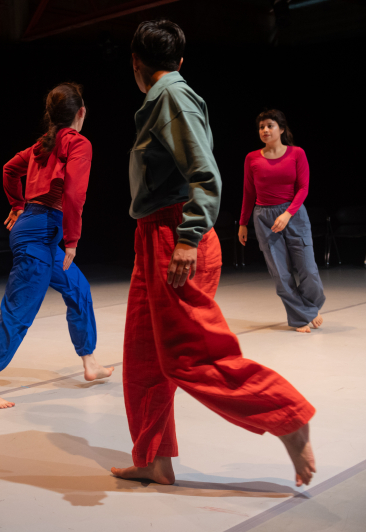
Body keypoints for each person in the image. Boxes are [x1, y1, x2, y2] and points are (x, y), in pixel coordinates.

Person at [109, 21, 317, 487]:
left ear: (136, 63)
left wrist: (187, 236)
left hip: (175, 233)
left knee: (190, 355)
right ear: (178, 60)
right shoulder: (163, 97)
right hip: (154, 234)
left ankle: (286, 414)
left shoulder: (170, 97)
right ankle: (154, 458)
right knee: (144, 355)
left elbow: (206, 175)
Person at [0, 82, 113, 410]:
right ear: (81, 112)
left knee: (79, 289)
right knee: (21, 308)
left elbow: (8, 170)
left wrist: (18, 205)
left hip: (40, 232)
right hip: (40, 234)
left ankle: (89, 362)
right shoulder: (77, 143)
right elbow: (75, 195)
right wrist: (72, 240)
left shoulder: (42, 145)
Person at [238, 110, 325, 333]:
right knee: (281, 273)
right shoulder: (252, 158)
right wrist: (242, 223)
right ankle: (300, 318)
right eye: (261, 127)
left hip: (293, 214)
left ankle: (309, 308)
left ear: (282, 129)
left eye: (270, 125)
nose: (265, 130)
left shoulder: (297, 153)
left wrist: (287, 214)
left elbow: (303, 188)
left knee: (309, 270)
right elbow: (248, 192)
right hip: (264, 218)